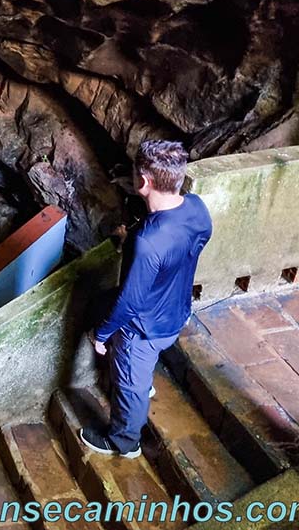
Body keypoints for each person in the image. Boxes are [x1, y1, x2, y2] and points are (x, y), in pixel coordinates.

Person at [80, 139, 212, 458]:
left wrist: (102, 336)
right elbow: (199, 239)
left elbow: (130, 303)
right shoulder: (195, 206)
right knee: (99, 304)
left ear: (144, 182)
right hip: (176, 311)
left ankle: (125, 441)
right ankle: (143, 381)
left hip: (144, 330)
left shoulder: (148, 242)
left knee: (129, 384)